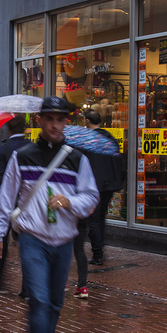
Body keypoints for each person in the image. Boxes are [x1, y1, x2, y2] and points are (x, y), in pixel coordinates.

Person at [0, 97, 99, 333]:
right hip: (32, 239)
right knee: (38, 298)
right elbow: (5, 198)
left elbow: (91, 198)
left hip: (63, 242)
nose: (54, 124)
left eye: (60, 119)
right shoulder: (22, 156)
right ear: (39, 121)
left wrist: (70, 202)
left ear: (66, 122)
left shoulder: (77, 159)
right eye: (49, 118)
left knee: (55, 302)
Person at [73, 111, 126, 297]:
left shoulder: (87, 140)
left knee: (94, 219)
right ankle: (99, 249)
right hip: (109, 184)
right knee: (101, 217)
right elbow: (120, 161)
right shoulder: (110, 138)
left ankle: (97, 254)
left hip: (95, 183)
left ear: (87, 121)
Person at [0, 115, 32, 293]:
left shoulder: (3, 148)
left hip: (6, 199)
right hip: (25, 201)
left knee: (2, 240)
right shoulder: (31, 147)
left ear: (9, 128)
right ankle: (26, 287)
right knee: (26, 243)